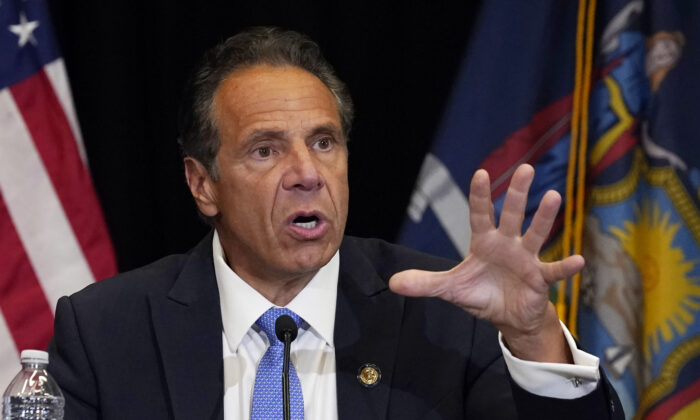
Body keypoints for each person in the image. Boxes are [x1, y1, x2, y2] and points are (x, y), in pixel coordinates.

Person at [47, 27, 623, 419]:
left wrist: (532, 335)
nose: (307, 173)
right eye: (266, 150)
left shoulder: (448, 313)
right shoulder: (106, 330)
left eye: (324, 143)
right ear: (203, 184)